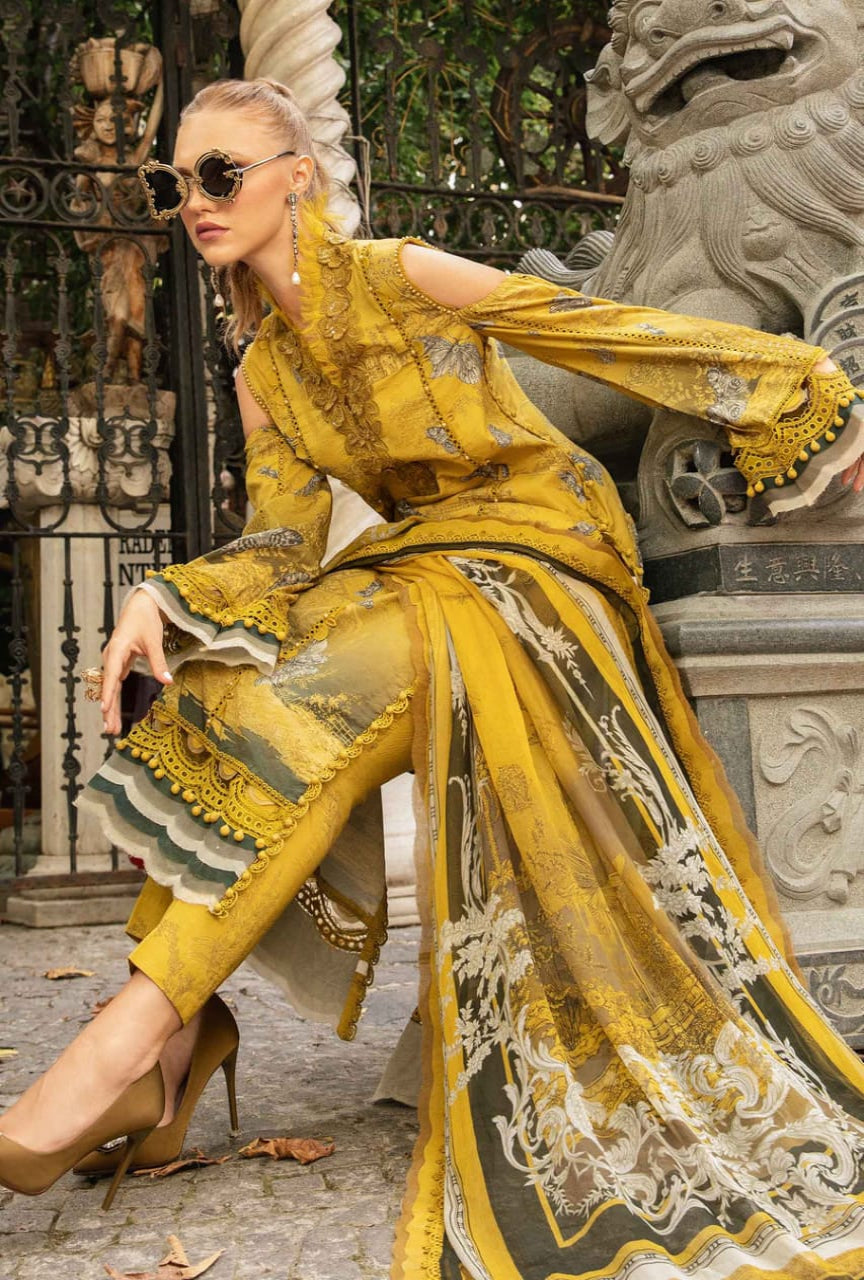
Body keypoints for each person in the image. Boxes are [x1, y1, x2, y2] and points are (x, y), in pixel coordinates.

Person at [4, 75, 864, 1277]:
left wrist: (796, 384)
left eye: (219, 173)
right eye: (171, 183)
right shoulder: (264, 372)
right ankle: (167, 1034)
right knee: (229, 687)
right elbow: (285, 545)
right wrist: (161, 592)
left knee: (337, 671)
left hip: (542, 549)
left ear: (296, 173)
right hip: (421, 566)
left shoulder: (401, 273)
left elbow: (594, 331)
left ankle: (127, 1045)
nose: (192, 200)